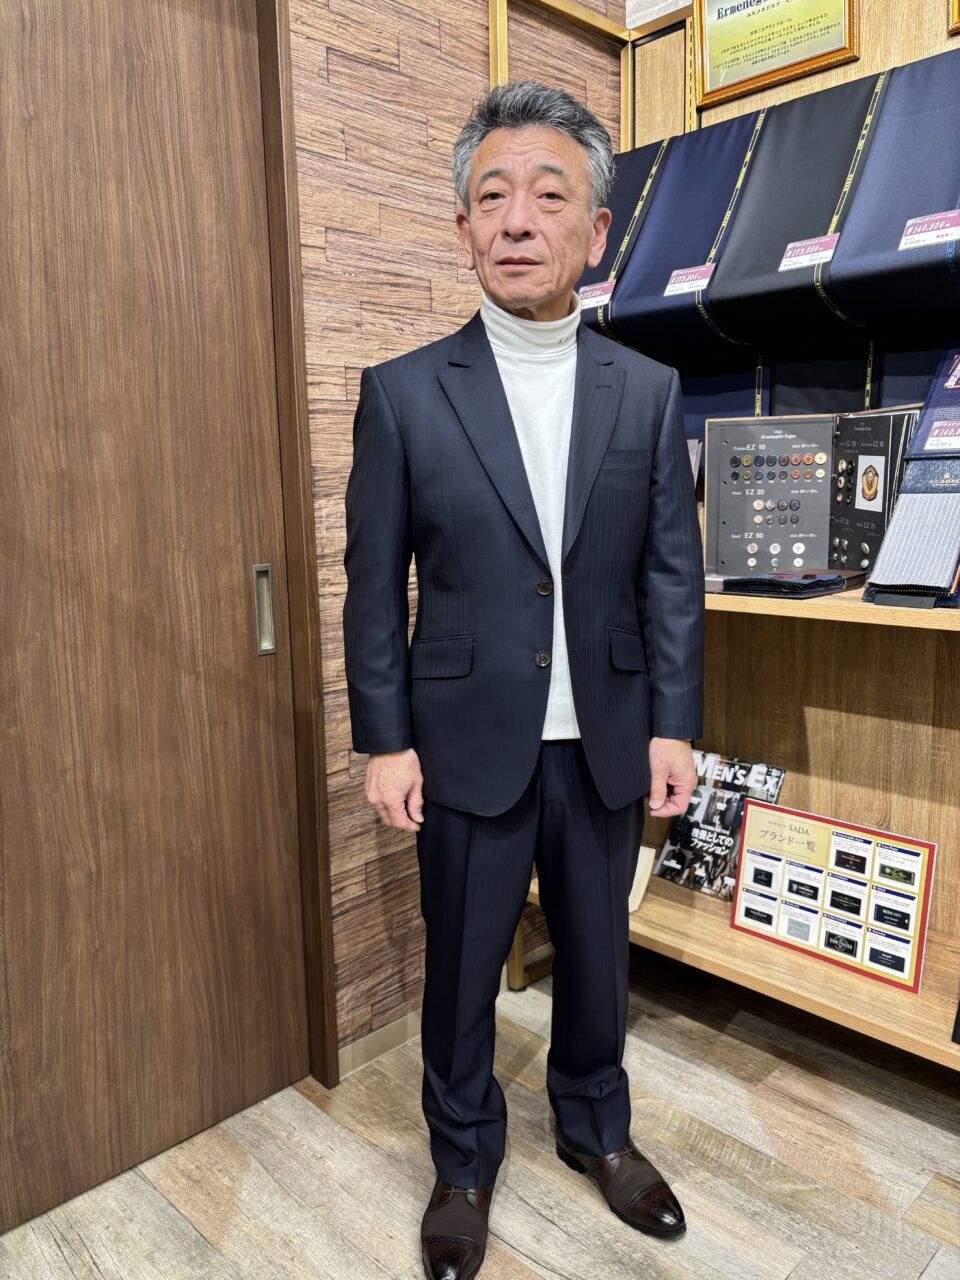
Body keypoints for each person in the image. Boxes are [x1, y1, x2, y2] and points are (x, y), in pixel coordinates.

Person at [343, 80, 704, 1280]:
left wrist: (673, 724)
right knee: (461, 966)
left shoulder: (646, 390)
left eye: (549, 196)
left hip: (605, 736)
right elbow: (372, 581)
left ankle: (598, 1126)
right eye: (491, 196)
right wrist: (385, 738)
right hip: (461, 737)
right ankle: (462, 1161)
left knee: (599, 955)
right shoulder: (403, 392)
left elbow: (669, 574)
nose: (516, 220)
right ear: (462, 230)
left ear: (594, 232)